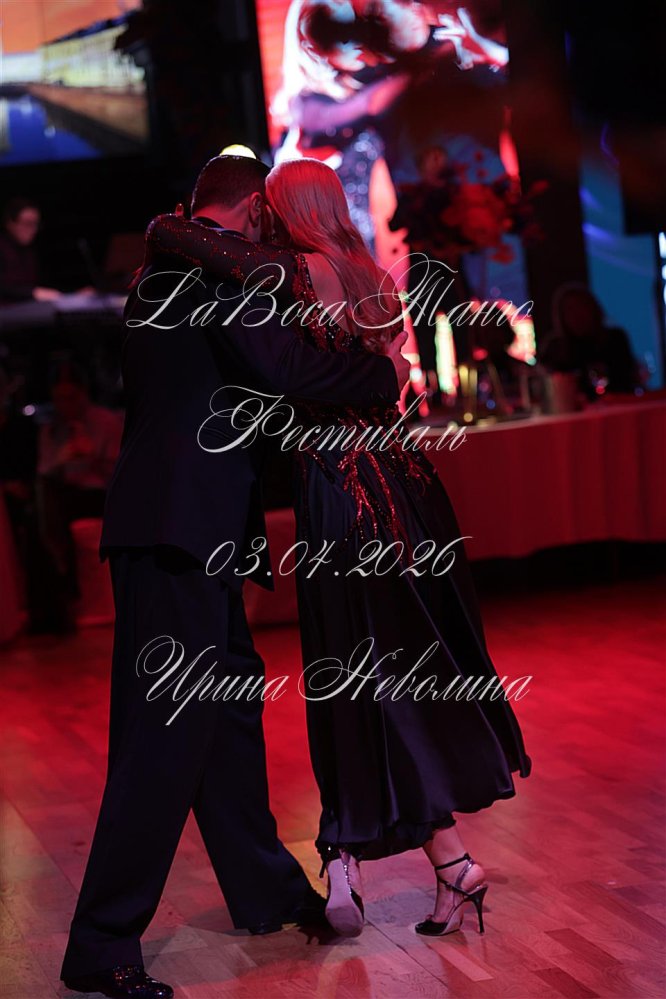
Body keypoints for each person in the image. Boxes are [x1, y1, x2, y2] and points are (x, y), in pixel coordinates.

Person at [146, 157, 532, 942]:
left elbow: (213, 257)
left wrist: (163, 224)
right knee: (390, 668)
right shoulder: (375, 276)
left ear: (288, 211)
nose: (263, 220)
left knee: (351, 671)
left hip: (343, 487)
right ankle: (411, 859)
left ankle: (363, 852)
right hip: (410, 484)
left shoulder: (298, 273)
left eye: (272, 207)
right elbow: (391, 375)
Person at [60, 155, 409, 999]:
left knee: (224, 722)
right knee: (164, 739)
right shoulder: (203, 273)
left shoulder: (171, 270)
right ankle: (101, 941)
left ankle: (265, 890)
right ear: (253, 207)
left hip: (183, 526)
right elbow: (284, 369)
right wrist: (383, 372)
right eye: (268, 220)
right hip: (178, 527)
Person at [36, 363, 122, 630]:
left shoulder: (106, 422)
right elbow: (44, 470)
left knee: (51, 511)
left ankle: (64, 577)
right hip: (65, 496)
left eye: (71, 397)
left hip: (101, 494)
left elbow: (121, 473)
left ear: (83, 393)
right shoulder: (51, 429)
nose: (65, 405)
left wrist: (92, 456)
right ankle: (58, 590)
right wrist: (61, 460)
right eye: (59, 398)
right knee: (45, 501)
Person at [540, 284, 641, 398]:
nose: (576, 315)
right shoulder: (555, 348)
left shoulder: (615, 339)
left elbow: (627, 381)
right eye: (569, 309)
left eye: (581, 307)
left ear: (593, 308)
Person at [0, 197, 62, 304]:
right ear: (10, 223)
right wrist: (31, 293)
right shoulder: (3, 249)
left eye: (35, 224)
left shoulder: (29, 253)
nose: (33, 230)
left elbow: (45, 290)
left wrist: (74, 293)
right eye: (27, 223)